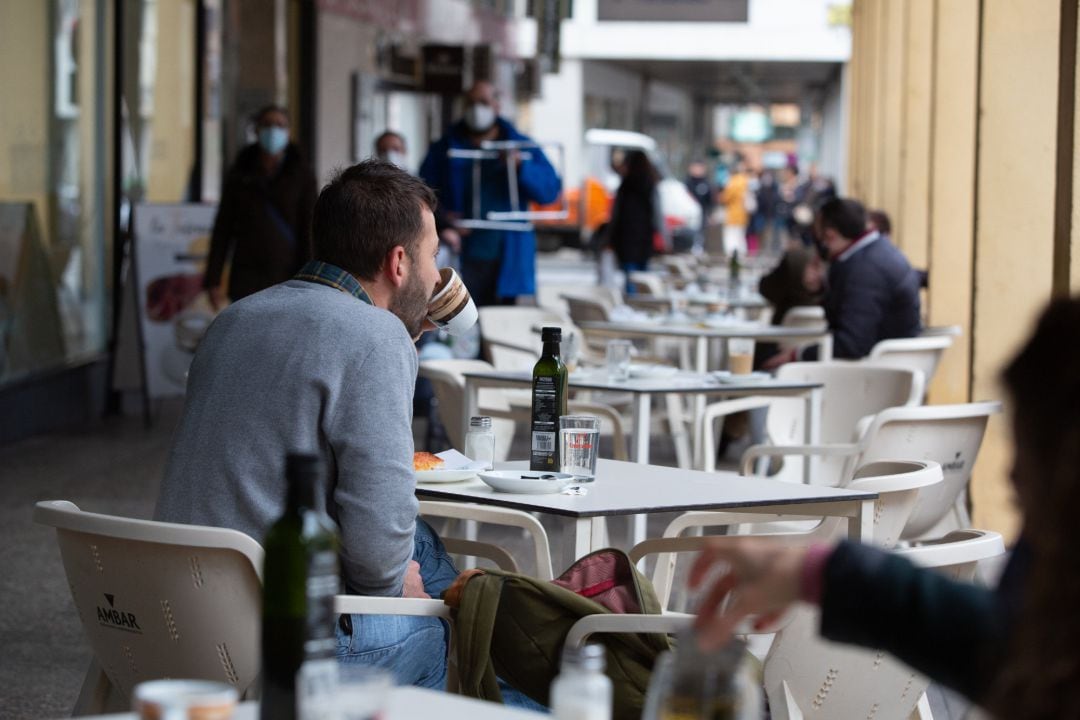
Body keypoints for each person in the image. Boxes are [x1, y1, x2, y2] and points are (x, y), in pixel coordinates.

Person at [689, 297, 1080, 718]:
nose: (1013, 476)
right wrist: (817, 570)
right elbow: (1009, 648)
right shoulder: (1057, 553)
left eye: (1036, 453)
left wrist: (825, 572)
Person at [157, 160, 458, 690]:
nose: (438, 276)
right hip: (272, 641)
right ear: (398, 263)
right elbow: (377, 560)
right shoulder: (375, 338)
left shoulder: (236, 318)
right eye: (432, 256)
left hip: (170, 619)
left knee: (427, 549)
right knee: (444, 628)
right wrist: (400, 593)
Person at [419, 80, 561, 306]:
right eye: (471, 103)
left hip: (509, 254)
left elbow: (550, 191)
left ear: (497, 105)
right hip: (463, 251)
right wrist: (445, 222)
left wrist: (521, 167)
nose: (477, 109)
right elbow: (421, 194)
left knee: (503, 323)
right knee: (462, 318)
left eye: (484, 102)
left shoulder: (521, 146)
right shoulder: (445, 148)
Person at [764, 197, 921, 366]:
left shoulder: (863, 268)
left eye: (818, 235)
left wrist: (797, 355)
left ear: (830, 235)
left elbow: (851, 343)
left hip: (873, 373)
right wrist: (820, 288)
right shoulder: (877, 251)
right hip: (887, 367)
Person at [203, 105, 317, 309]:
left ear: (289, 131)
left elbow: (310, 227)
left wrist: (310, 278)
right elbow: (223, 228)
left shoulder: (302, 172)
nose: (273, 130)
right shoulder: (240, 172)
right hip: (246, 277)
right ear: (256, 130)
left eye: (280, 125)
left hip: (289, 275)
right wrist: (213, 279)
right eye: (267, 125)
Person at [608, 150, 663, 294]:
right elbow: (658, 215)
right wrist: (665, 238)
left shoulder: (625, 186)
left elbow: (615, 215)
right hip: (644, 239)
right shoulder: (650, 185)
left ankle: (632, 306)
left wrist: (608, 239)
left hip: (625, 240)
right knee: (643, 279)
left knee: (630, 279)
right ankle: (643, 306)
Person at [719, 159, 750, 257]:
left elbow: (725, 198)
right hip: (743, 213)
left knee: (731, 237)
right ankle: (741, 256)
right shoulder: (745, 180)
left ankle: (733, 258)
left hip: (732, 214)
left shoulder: (732, 182)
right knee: (740, 237)